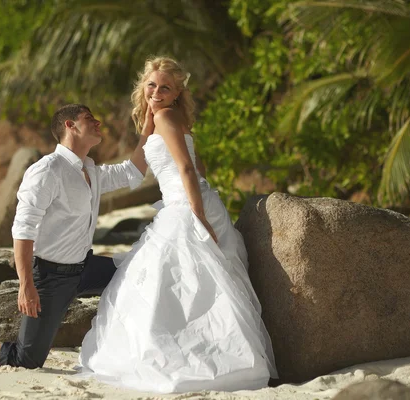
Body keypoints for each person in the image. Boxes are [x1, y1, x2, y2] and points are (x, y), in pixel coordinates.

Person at [78, 57, 278, 393]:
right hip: (184, 203)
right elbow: (143, 166)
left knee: (187, 283)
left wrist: (198, 217)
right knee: (185, 284)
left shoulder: (167, 117)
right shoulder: (163, 119)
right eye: (151, 84)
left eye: (165, 87)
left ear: (177, 93)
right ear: (143, 86)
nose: (156, 91)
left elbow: (188, 171)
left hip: (186, 207)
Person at [0, 103, 154, 368]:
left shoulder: (91, 171)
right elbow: (23, 230)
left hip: (84, 268)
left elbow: (134, 173)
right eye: (89, 118)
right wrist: (26, 285)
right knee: (26, 359)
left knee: (140, 276)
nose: (98, 123)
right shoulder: (47, 170)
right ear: (69, 126)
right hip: (50, 278)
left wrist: (149, 123)